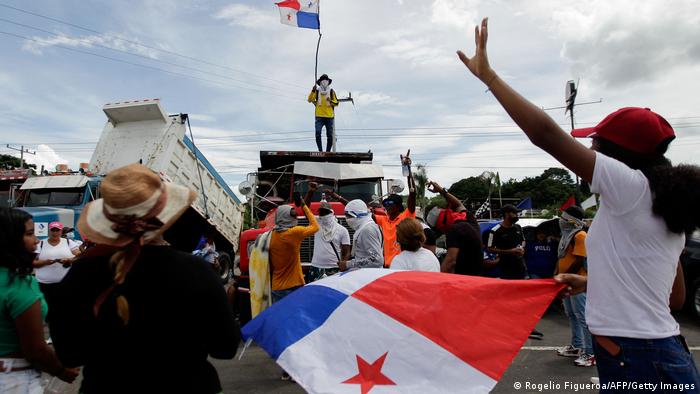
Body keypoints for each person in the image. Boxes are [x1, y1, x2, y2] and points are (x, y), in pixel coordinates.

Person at [459, 18, 700, 388]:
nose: (588, 150)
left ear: (619, 157)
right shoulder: (662, 204)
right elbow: (674, 297)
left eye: (596, 144)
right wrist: (589, 282)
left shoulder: (631, 187)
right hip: (655, 353)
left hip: (638, 359)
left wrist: (489, 77)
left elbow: (543, 134)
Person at [48, 164, 240, 394]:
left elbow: (69, 353)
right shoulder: (197, 270)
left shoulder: (81, 272)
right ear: (165, 216)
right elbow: (224, 348)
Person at [0, 208, 79, 392]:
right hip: (14, 379)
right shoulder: (20, 285)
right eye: (29, 234)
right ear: (9, 238)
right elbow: (35, 350)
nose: (36, 240)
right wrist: (62, 370)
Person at [555, 206, 594, 367]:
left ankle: (590, 352)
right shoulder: (566, 236)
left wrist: (567, 277)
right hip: (567, 282)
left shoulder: (580, 235)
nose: (561, 221)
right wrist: (557, 275)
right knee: (572, 315)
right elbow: (561, 258)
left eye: (564, 218)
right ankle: (577, 345)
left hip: (579, 282)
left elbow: (579, 260)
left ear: (572, 221)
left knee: (582, 317)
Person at [425, 181, 483, 275]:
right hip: (478, 276)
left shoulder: (455, 230)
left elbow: (450, 262)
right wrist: (441, 190)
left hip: (465, 280)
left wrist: (437, 280)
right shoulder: (467, 219)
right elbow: (458, 204)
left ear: (440, 226)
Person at [33, 221, 80, 324]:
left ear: (60, 231)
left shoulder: (68, 242)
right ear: (49, 231)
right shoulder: (40, 243)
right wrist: (45, 262)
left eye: (57, 230)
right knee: (47, 308)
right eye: (53, 230)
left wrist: (69, 260)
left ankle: (60, 328)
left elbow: (79, 256)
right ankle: (49, 328)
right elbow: (32, 262)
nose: (55, 232)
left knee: (62, 307)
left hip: (64, 282)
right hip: (44, 283)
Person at [375, 157, 417, 267]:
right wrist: (339, 198)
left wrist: (408, 169)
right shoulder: (384, 220)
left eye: (390, 204)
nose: (386, 206)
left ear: (398, 206)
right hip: (387, 266)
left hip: (403, 266)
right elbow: (359, 212)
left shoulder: (407, 217)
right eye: (385, 204)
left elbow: (412, 193)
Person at [308, 201, 350, 282]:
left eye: (326, 212)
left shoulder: (342, 230)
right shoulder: (316, 225)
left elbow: (347, 251)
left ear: (332, 213)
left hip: (334, 268)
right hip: (316, 267)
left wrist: (343, 265)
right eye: (321, 213)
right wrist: (310, 192)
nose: (323, 215)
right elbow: (305, 210)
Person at [485, 205, 527, 279]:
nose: (517, 215)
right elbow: (490, 248)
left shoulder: (518, 227)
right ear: (507, 214)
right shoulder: (494, 231)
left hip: (520, 265)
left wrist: (521, 248)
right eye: (514, 213)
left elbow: (523, 240)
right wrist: (510, 251)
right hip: (505, 267)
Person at [340, 199, 384, 270]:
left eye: (349, 215)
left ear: (357, 215)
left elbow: (377, 260)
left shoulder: (367, 230)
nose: (347, 219)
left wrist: (348, 264)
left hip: (368, 275)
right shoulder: (365, 227)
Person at [308, 74, 339, 152]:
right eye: (323, 80)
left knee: (330, 136)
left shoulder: (331, 91)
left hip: (329, 116)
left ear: (328, 82)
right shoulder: (317, 91)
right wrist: (312, 90)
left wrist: (330, 101)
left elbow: (336, 103)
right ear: (320, 82)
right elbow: (309, 100)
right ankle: (320, 151)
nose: (324, 81)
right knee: (318, 133)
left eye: (326, 80)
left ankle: (327, 151)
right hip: (319, 116)